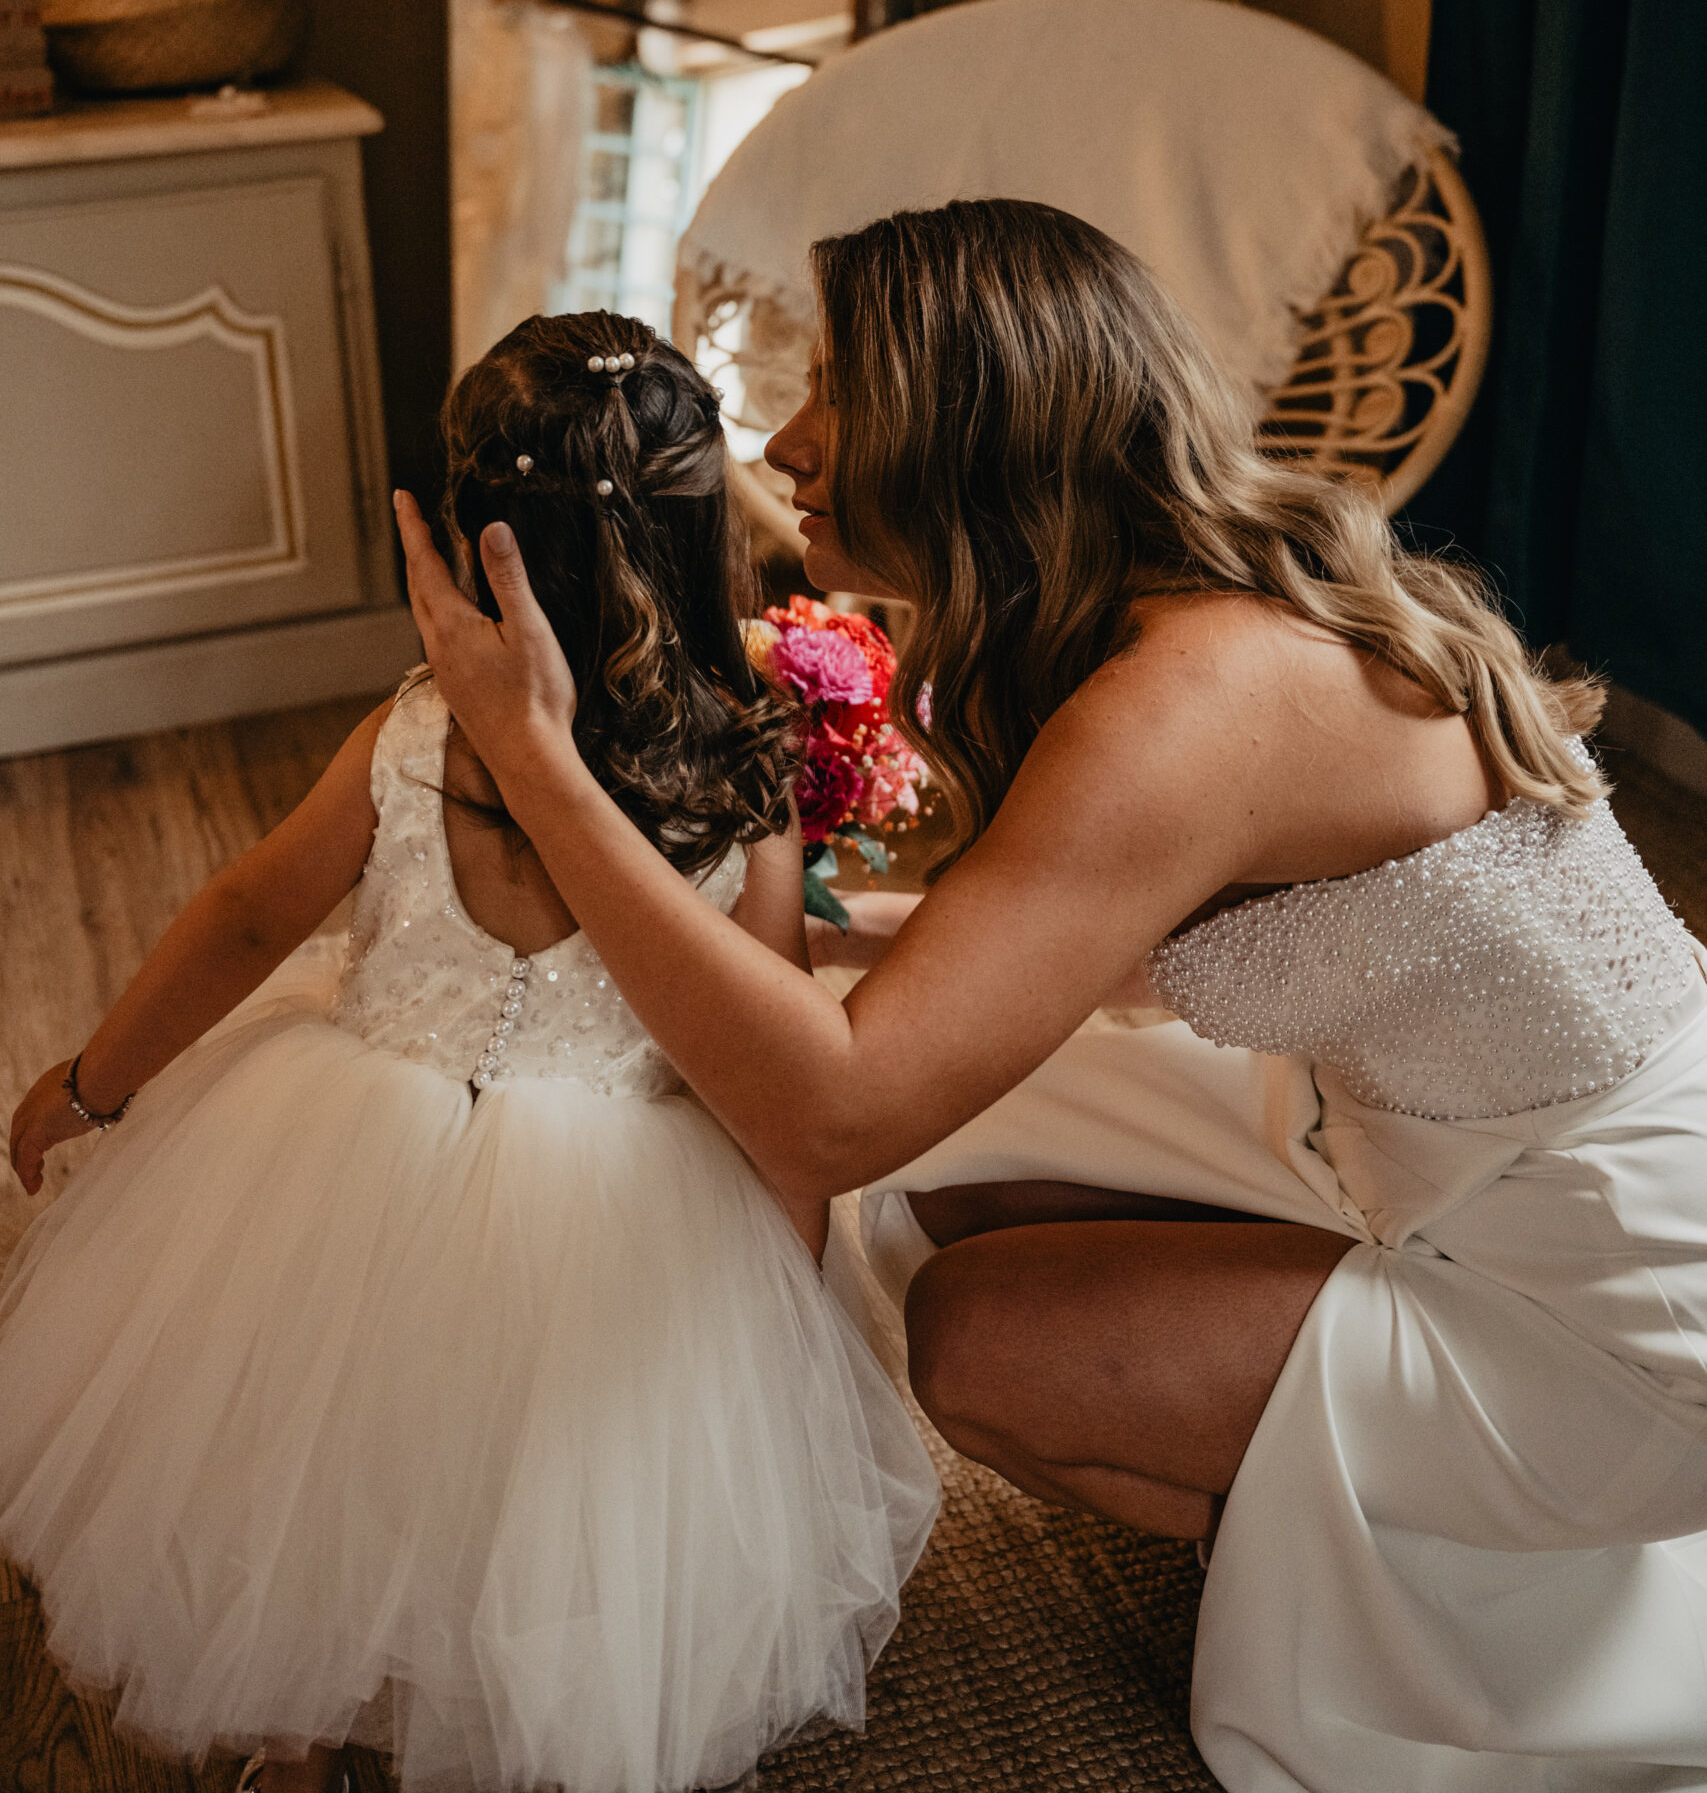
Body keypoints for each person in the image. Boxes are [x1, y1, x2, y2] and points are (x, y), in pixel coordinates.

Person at [394, 201, 1707, 1793]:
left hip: (1616, 1321)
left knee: (975, 1339)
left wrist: (537, 763)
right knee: (956, 1184)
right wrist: (803, 929)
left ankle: (1399, 1568)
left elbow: (827, 1118)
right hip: (1469, 1166)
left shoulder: (1194, 701)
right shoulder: (1205, 621)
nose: (788, 443)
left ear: (971, 429)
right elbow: (1088, 941)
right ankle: (1342, 1476)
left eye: (839, 393)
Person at [1, 312, 937, 1793]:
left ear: (461, 539)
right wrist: (783, 1299)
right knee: (547, 1495)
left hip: (338, 1154)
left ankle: (293, 1736)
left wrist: (92, 1083)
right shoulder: (745, 775)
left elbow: (248, 918)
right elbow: (761, 1057)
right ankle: (511, 1705)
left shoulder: (421, 731)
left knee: (300, 1446)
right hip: (627, 1213)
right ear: (705, 535)